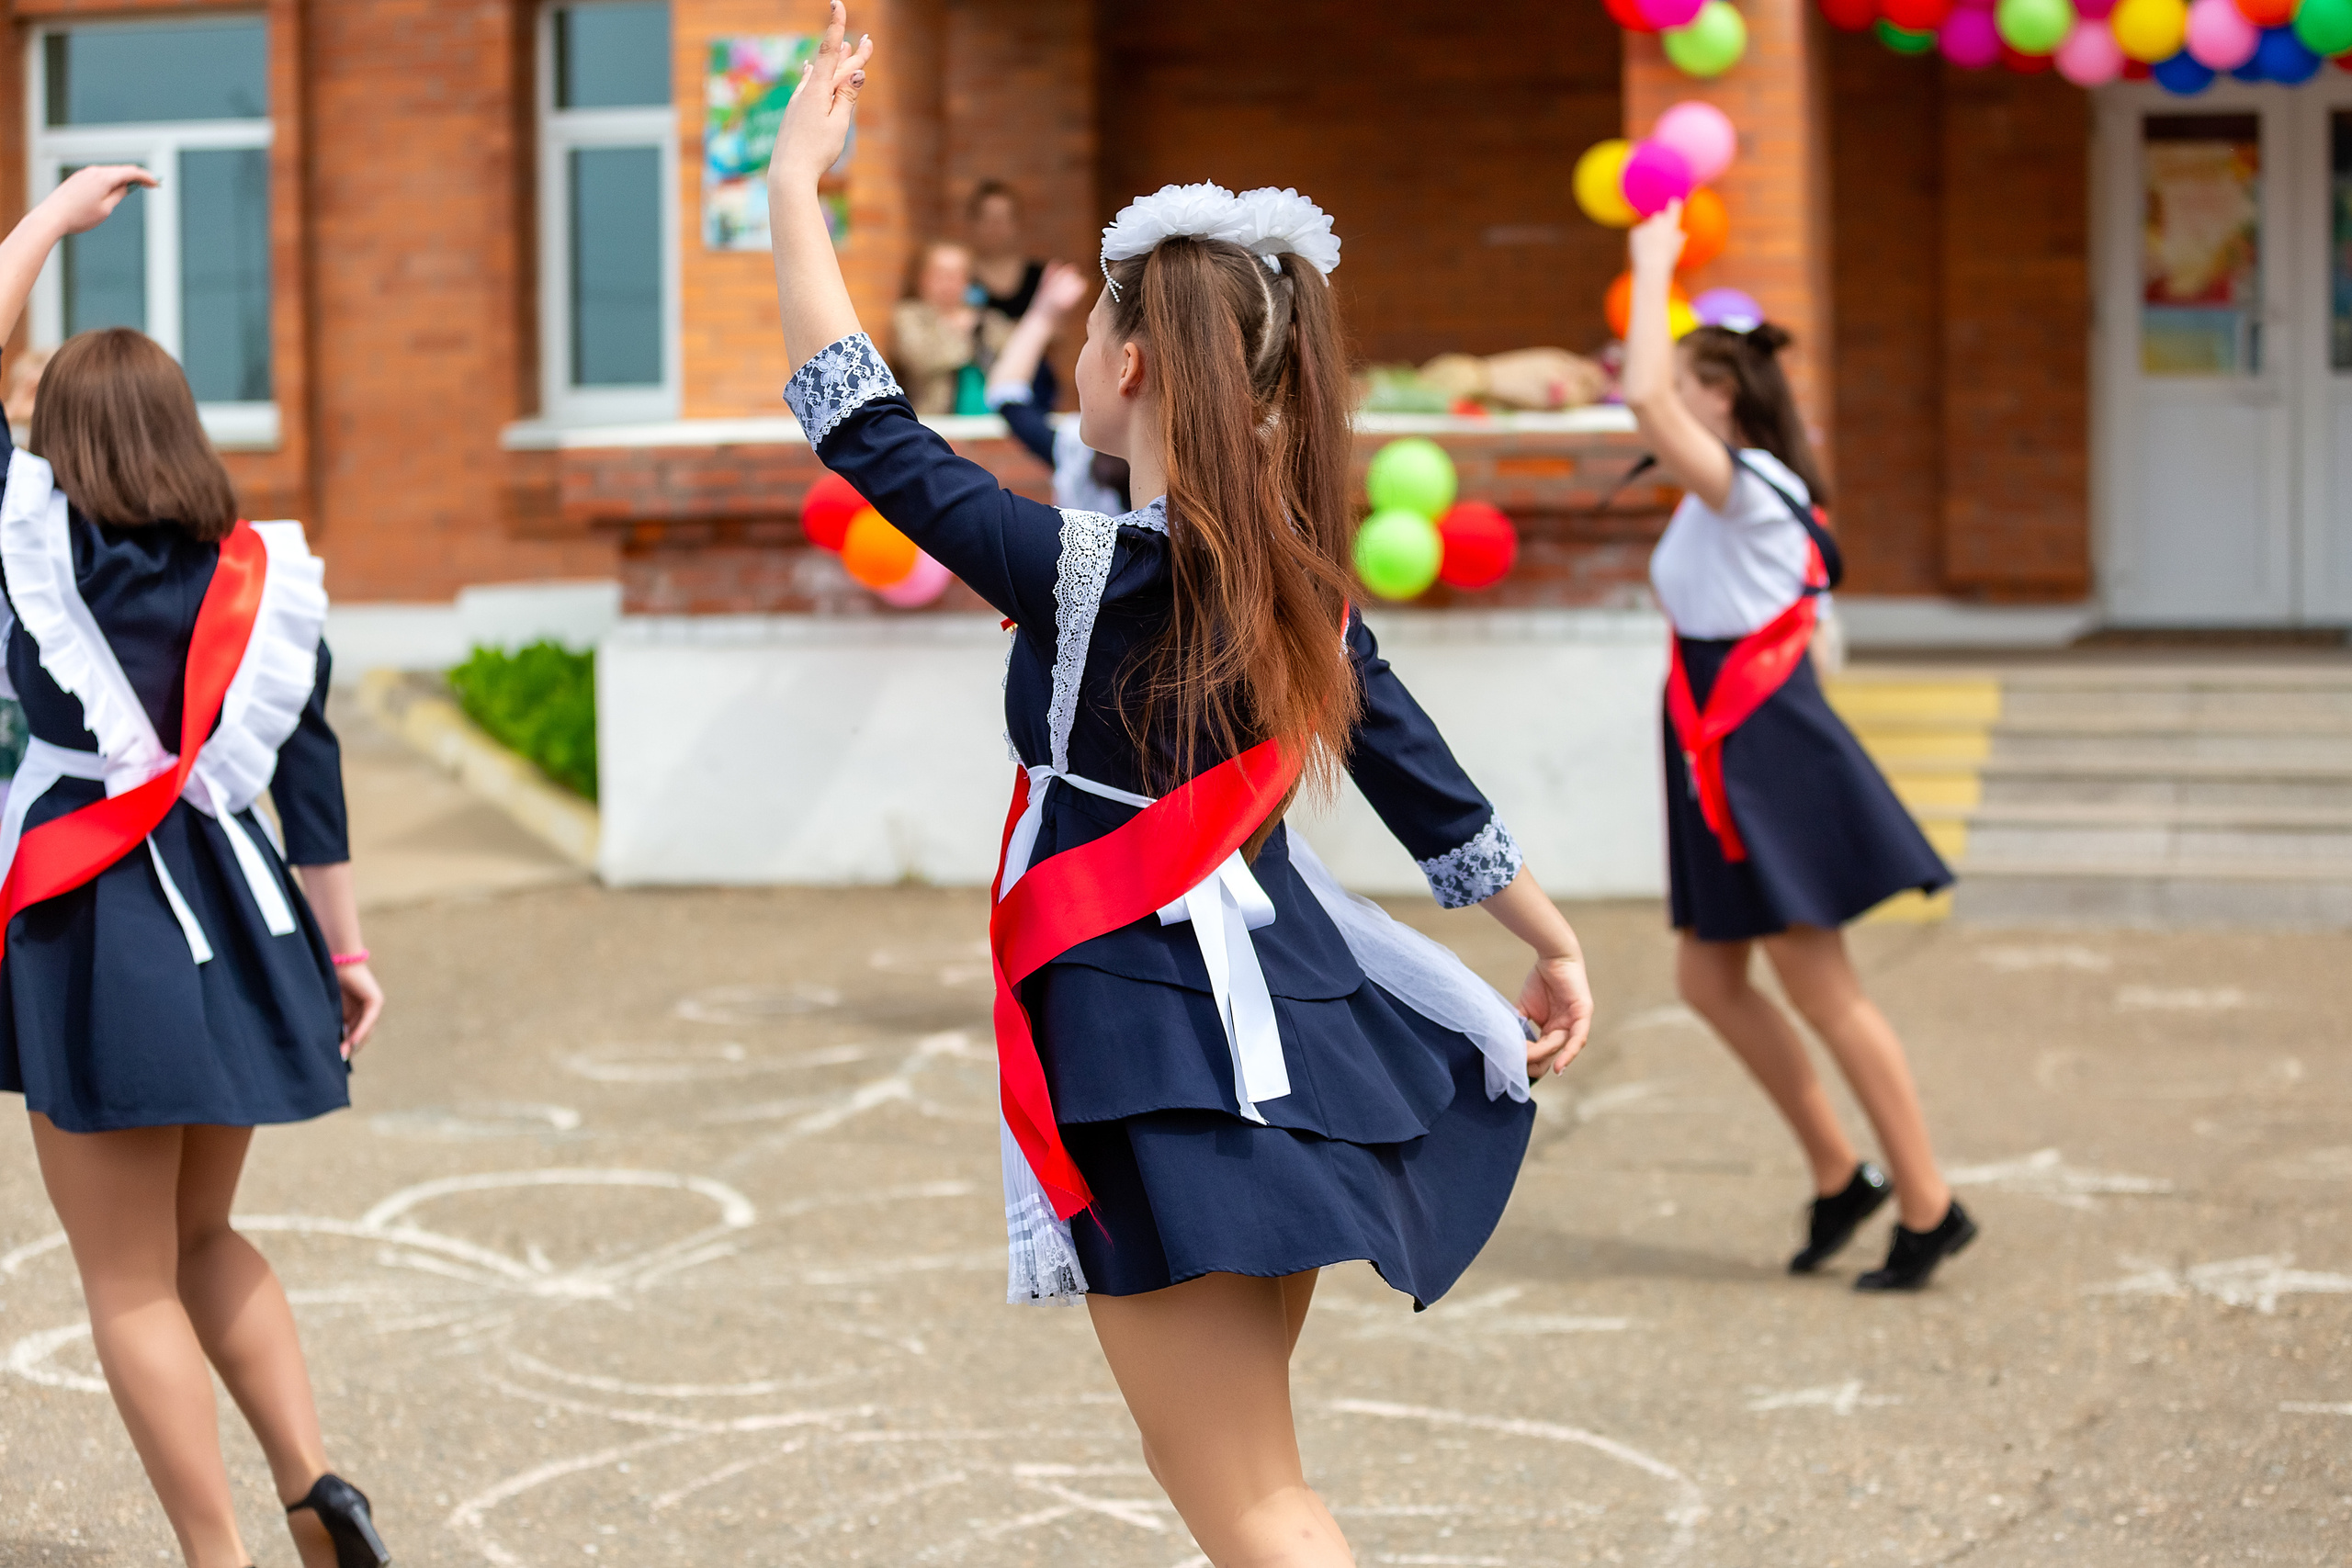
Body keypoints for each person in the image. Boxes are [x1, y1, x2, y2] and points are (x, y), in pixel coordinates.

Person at [767, 14, 1594, 1564]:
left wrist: (795, 194)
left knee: (1253, 1501)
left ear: (1132, 361)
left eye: (1090, 337)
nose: (1075, 359)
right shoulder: (1300, 588)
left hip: (1163, 1047)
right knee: (1245, 1477)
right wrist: (1547, 937)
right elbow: (1431, 789)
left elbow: (860, 424)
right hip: (1277, 1025)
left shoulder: (1081, 569)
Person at [0, 167, 391, 1568]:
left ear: (55, 441)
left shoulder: (39, 548)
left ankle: (215, 1557)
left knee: (122, 1274)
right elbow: (315, 781)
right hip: (238, 915)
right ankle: (317, 1491)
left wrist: (41, 228)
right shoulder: (267, 580)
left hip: (95, 919)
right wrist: (346, 956)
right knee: (206, 1233)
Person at [1620, 198, 1975, 1292]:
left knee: (1822, 987)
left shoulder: (1748, 485)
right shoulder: (1717, 499)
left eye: (1682, 393)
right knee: (1708, 979)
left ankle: (1928, 1203)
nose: (1658, 413)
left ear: (1717, 399)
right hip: (1723, 750)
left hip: (1760, 748)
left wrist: (1650, 261)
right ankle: (1840, 1175)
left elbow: (1636, 391)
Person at [984, 259, 1130, 514]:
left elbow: (1006, 396)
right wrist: (1044, 314)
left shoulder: (1080, 454)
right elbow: (1006, 397)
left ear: (1129, 369)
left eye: (1091, 337)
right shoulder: (1080, 451)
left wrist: (1043, 315)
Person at [888, 239, 1009, 416]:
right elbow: (919, 359)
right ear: (922, 277)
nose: (948, 283)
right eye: (940, 274)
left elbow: (1012, 360)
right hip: (933, 420)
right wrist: (969, 336)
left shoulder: (988, 319)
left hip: (987, 421)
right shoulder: (909, 316)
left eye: (956, 275)